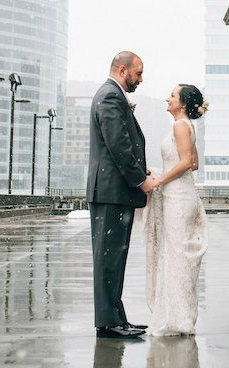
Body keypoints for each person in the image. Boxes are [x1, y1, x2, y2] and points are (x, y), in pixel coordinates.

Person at [86, 51, 156, 339]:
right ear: (123, 69)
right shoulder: (110, 96)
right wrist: (141, 180)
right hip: (111, 192)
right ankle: (108, 323)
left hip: (113, 192)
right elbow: (118, 145)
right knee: (109, 259)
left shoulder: (110, 94)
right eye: (138, 74)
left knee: (114, 258)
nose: (141, 79)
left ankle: (116, 318)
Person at [145, 83, 209, 336]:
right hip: (182, 194)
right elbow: (194, 164)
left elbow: (185, 163)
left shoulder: (180, 126)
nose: (167, 98)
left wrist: (160, 180)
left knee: (176, 257)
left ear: (182, 103)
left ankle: (179, 318)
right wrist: (164, 174)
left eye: (172, 95)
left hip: (178, 199)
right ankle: (182, 316)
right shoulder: (188, 126)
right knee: (178, 256)